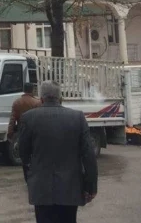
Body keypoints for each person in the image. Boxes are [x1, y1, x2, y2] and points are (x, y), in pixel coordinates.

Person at [17, 81, 98, 223]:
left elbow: (23, 154)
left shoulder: (28, 118)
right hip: (70, 189)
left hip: (41, 189)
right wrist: (91, 187)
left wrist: (30, 178)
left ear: (41, 99)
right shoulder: (77, 118)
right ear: (60, 98)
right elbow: (89, 155)